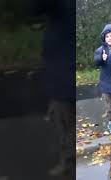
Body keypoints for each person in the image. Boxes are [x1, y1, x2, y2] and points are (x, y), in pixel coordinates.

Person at [26, 0, 73, 176]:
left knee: (66, 116)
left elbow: (33, 9)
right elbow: (33, 9)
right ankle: (69, 160)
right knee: (65, 116)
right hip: (63, 65)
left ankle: (70, 160)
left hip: (65, 66)